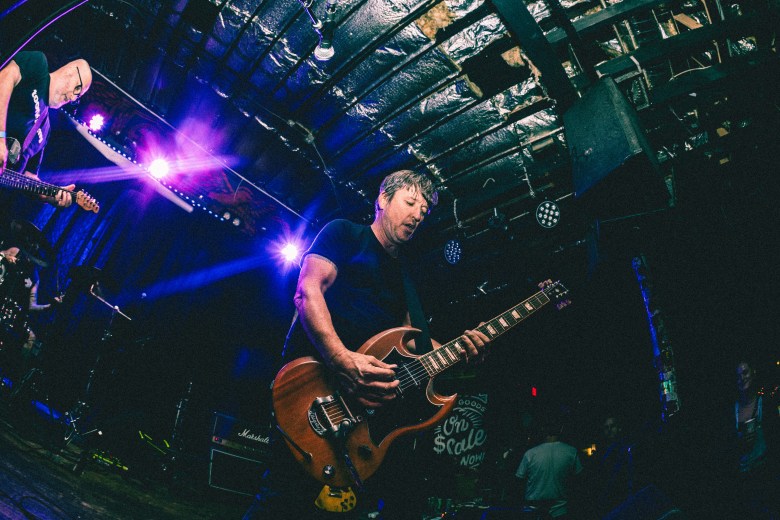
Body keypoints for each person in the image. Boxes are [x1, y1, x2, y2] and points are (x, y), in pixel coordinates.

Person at [243, 170, 492, 519]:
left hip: (362, 420)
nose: (418, 214)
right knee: (280, 503)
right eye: (410, 202)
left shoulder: (405, 277)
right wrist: (342, 359)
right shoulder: (345, 233)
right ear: (383, 199)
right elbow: (307, 292)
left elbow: (416, 352)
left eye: (424, 210)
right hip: (313, 394)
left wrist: (463, 353)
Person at [0, 50, 92, 207]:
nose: (72, 98)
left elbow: (29, 177)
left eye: (77, 98)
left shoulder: (46, 130)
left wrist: (52, 196)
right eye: (77, 89)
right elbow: (5, 77)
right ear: (70, 71)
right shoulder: (38, 66)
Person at [728, 358, 779, 518]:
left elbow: (775, 438)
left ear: (753, 373)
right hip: (743, 482)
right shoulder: (732, 411)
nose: (742, 378)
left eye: (745, 373)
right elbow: (728, 447)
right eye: (738, 376)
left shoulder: (766, 404)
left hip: (766, 477)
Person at [516, 414, 583, 519]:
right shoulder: (571, 452)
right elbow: (578, 481)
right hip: (561, 510)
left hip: (534, 510)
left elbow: (519, 480)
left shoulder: (530, 454)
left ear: (543, 429)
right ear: (560, 429)